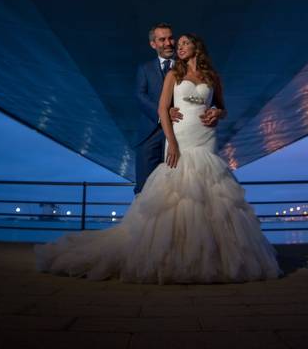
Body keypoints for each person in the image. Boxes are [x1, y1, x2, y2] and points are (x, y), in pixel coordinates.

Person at [33, 33, 283, 284]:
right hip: (181, 137)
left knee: (212, 191)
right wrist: (171, 142)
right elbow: (163, 108)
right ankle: (175, 256)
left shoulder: (212, 77)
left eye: (185, 43)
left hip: (206, 138)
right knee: (179, 191)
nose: (179, 46)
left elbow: (222, 106)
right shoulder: (174, 74)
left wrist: (217, 112)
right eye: (179, 43)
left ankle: (214, 256)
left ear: (197, 47)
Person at [131, 22, 218, 195]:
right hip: (151, 135)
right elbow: (140, 96)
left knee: (183, 190)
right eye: (162, 40)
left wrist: (215, 110)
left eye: (171, 38)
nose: (169, 43)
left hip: (183, 135)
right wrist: (163, 112)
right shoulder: (145, 69)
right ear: (153, 44)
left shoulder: (189, 65)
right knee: (145, 190)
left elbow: (208, 97)